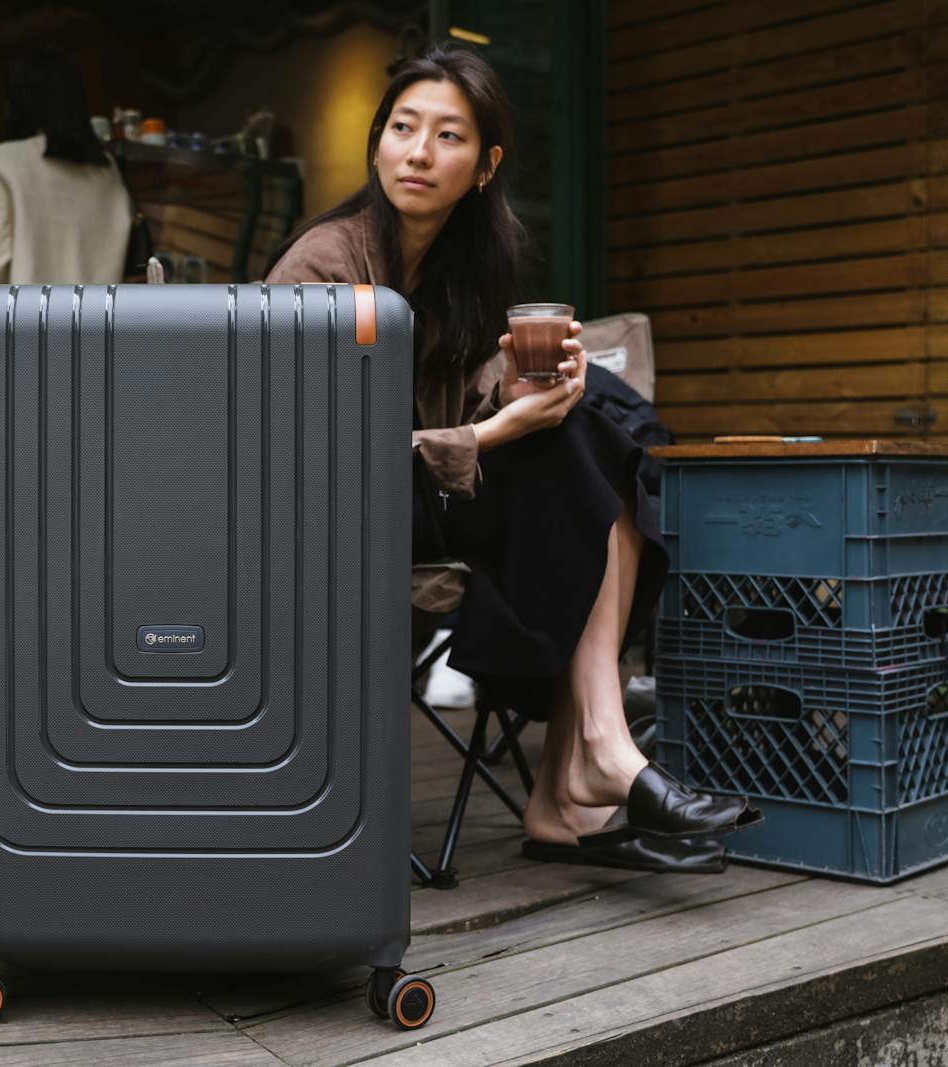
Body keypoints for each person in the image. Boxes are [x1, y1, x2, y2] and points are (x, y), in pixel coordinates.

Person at [266, 46, 760, 873]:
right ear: (377, 142)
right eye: (402, 128)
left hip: (428, 503)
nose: (418, 153)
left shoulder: (467, 269)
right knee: (579, 448)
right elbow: (312, 460)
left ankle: (582, 766)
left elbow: (472, 412)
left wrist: (533, 392)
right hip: (329, 520)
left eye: (448, 136)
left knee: (596, 437)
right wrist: (500, 431)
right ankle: (583, 769)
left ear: (486, 165)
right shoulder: (324, 266)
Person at [0, 48, 132, 285]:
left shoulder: (5, 161)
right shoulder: (107, 171)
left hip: (28, 319)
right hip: (98, 319)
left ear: (17, 101)